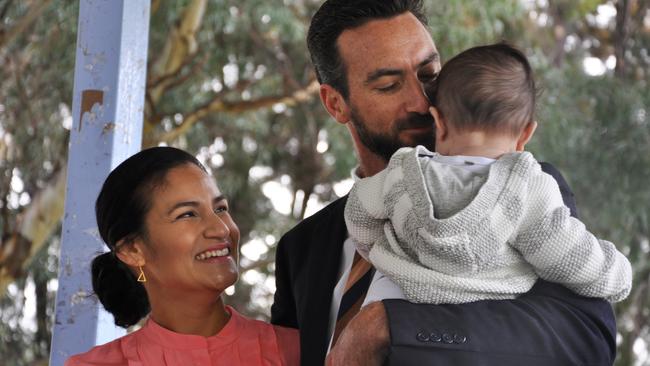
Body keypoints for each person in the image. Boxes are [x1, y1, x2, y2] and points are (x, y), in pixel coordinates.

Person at [270, 1, 617, 365]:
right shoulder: (300, 250)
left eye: (430, 74)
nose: (421, 102)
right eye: (389, 85)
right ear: (336, 103)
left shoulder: (523, 188)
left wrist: (392, 326)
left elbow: (584, 338)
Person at [344, 43, 632, 307]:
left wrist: (379, 249)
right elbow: (569, 257)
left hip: (393, 302)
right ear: (525, 135)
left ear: (438, 123)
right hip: (484, 318)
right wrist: (619, 274)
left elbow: (358, 210)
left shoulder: (402, 174)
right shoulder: (525, 190)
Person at [66, 147, 299, 366]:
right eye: (187, 214)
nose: (221, 229)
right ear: (132, 250)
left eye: (220, 209)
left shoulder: (299, 352)